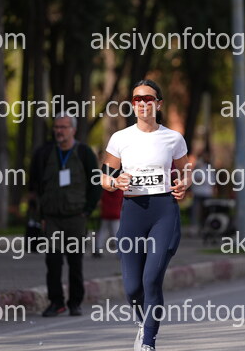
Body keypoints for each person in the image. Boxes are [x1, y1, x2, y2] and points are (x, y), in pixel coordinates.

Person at [101, 79, 190, 351]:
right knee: (132, 287)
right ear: (132, 104)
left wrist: (184, 184)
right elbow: (105, 178)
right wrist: (116, 182)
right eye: (137, 99)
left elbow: (185, 171)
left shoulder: (173, 138)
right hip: (132, 213)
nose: (142, 103)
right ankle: (143, 322)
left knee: (151, 279)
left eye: (148, 99)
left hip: (163, 212)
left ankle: (149, 342)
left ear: (158, 104)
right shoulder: (120, 138)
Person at [29, 113, 101, 317]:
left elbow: (96, 184)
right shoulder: (45, 153)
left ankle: (75, 302)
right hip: (52, 218)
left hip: (76, 217)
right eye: (56, 127)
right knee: (52, 262)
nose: (59, 131)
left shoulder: (84, 153)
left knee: (75, 262)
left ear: (73, 130)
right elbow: (38, 186)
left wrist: (87, 210)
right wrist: (41, 215)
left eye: (63, 127)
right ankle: (56, 302)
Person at [188, 150, 215, 237]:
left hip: (207, 193)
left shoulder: (209, 167)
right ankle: (195, 228)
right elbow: (196, 178)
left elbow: (212, 180)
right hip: (198, 193)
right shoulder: (197, 167)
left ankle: (206, 228)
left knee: (207, 212)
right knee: (196, 212)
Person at [93, 188, 123, 257]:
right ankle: (119, 251)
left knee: (102, 233)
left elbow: (100, 201)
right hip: (116, 214)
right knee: (116, 233)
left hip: (105, 213)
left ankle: (98, 249)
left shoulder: (104, 191)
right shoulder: (120, 191)